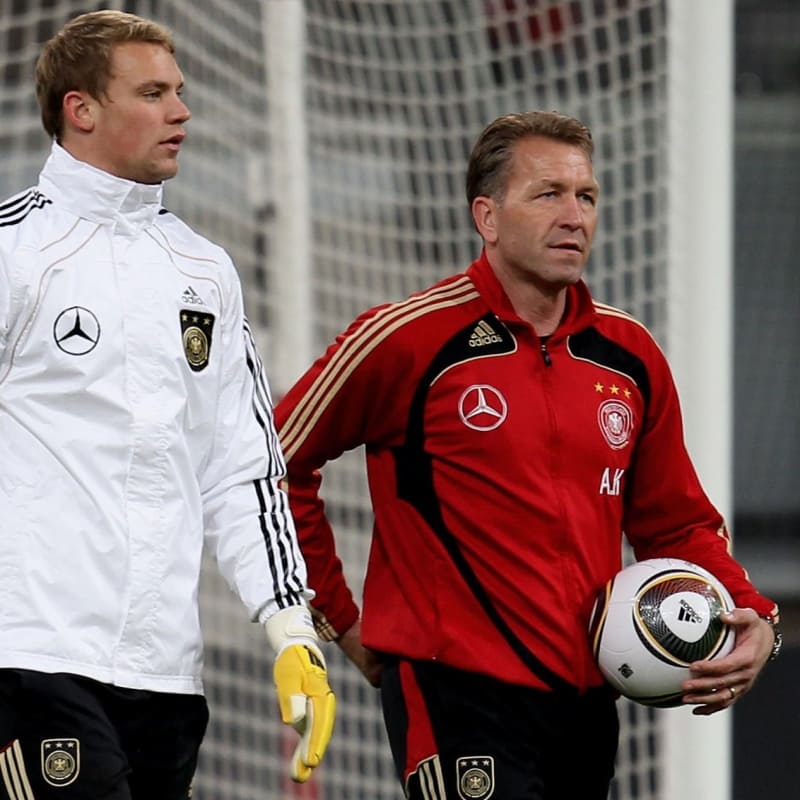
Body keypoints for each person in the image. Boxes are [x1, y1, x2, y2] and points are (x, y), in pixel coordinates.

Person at [274, 110, 781, 799]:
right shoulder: (405, 339)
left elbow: (677, 524)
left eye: (587, 196)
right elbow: (271, 464)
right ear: (487, 216)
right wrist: (339, 617)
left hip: (589, 699)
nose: (574, 216)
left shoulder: (630, 356)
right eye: (548, 194)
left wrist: (753, 614)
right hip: (457, 693)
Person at [0, 10, 334, 799]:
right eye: (153, 93)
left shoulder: (205, 270)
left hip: (167, 675)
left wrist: (288, 625)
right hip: (33, 654)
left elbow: (240, 464)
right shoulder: (13, 250)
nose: (182, 111)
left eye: (179, 91)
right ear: (81, 110)